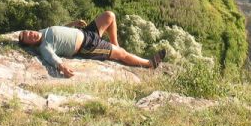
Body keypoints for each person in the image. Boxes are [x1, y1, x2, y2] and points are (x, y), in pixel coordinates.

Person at [18, 10, 165, 77]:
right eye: (28, 38)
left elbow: (59, 30)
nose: (31, 35)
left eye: (28, 32)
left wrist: (72, 23)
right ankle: (149, 64)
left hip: (86, 32)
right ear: (31, 44)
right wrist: (63, 68)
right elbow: (53, 59)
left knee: (110, 15)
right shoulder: (44, 47)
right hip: (88, 46)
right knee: (122, 54)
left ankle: (115, 44)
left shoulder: (42, 31)